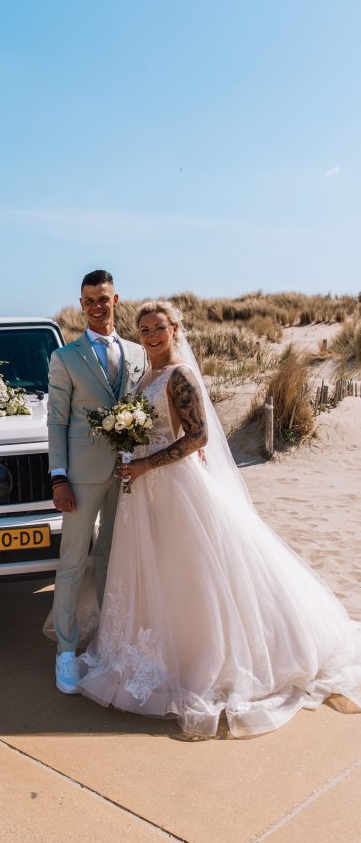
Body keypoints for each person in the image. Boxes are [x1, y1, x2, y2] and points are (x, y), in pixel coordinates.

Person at [77, 300, 361, 737]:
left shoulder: (180, 375)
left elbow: (198, 437)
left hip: (174, 486)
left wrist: (146, 463)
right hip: (142, 491)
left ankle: (199, 659)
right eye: (145, 329)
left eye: (159, 328)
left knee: (188, 570)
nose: (151, 336)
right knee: (156, 570)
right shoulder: (146, 375)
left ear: (175, 329)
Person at [47, 270, 146, 695]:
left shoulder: (138, 353)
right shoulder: (66, 357)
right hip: (81, 475)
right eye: (89, 300)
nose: (96, 306)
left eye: (103, 298)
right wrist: (58, 478)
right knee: (73, 560)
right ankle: (66, 651)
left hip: (130, 474)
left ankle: (110, 643)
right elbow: (56, 421)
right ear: (81, 304)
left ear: (115, 300)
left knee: (114, 558)